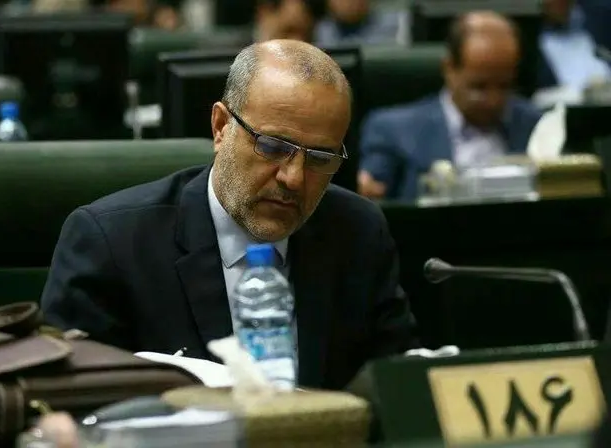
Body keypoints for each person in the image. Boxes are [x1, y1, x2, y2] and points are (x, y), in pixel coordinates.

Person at [41, 39, 419, 391]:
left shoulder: (357, 232)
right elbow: (72, 399)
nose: (293, 178)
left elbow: (397, 389)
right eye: (273, 147)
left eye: (320, 158)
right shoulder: (112, 244)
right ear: (221, 128)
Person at [357, 11, 542, 202]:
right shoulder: (394, 131)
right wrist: (365, 189)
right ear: (449, 69)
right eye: (479, 87)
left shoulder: (536, 125)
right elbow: (371, 188)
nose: (493, 100)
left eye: (504, 86)